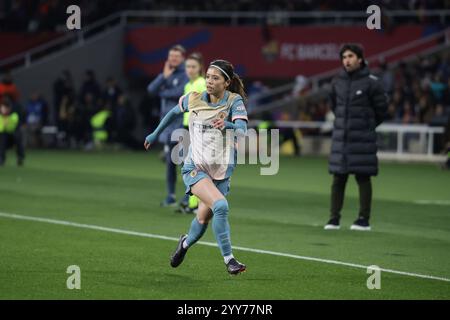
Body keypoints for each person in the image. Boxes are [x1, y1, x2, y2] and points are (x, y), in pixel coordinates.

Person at [144, 59, 248, 275]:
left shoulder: (234, 101)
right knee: (221, 206)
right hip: (195, 167)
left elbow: (242, 130)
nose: (209, 81)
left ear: (226, 82)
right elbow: (173, 112)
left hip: (221, 171)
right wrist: (155, 133)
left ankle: (184, 243)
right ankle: (229, 260)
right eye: (208, 76)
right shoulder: (194, 98)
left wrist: (228, 124)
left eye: (215, 78)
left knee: (202, 219)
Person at [324, 44, 388, 231]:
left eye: (351, 56)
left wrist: (366, 126)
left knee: (363, 177)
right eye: (344, 57)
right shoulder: (337, 82)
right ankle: (333, 219)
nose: (347, 60)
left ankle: (363, 220)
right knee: (338, 178)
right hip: (341, 139)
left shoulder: (371, 83)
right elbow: (335, 107)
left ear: (360, 59)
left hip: (362, 139)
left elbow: (382, 111)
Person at [147, 44, 189, 207]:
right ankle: (171, 195)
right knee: (171, 162)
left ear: (182, 58)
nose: (173, 59)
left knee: (185, 162)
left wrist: (162, 92)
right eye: (171, 56)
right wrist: (163, 77)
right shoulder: (167, 74)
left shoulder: (187, 74)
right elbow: (151, 89)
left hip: (182, 123)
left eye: (176, 57)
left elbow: (179, 93)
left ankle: (189, 196)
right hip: (168, 124)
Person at [177, 52, 207, 214]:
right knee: (189, 166)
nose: (189, 69)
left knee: (195, 167)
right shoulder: (189, 85)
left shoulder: (202, 83)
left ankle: (195, 204)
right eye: (187, 66)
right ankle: (192, 202)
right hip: (187, 127)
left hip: (198, 128)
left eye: (193, 66)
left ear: (200, 68)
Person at [0, 98, 25, 166]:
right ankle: (1, 159)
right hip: (2, 138)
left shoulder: (14, 116)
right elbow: (1, 129)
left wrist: (6, 120)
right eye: (2, 107)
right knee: (2, 137)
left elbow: (13, 127)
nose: (3, 109)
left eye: (5, 108)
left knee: (18, 135)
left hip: (11, 138)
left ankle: (20, 157)